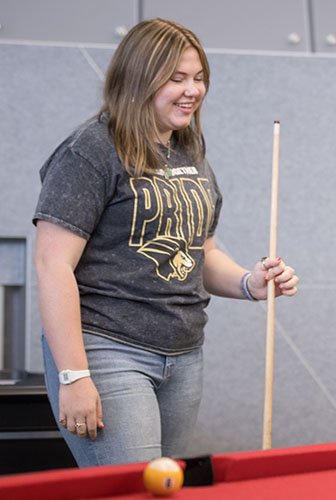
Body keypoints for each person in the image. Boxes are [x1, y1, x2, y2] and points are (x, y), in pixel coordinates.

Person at [33, 18, 299, 467]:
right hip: (107, 350)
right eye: (176, 79)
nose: (192, 90)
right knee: (135, 490)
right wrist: (74, 375)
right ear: (137, 79)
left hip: (183, 356)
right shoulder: (91, 150)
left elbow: (202, 253)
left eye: (198, 78)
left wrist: (250, 283)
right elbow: (51, 265)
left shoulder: (189, 153)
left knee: (161, 490)